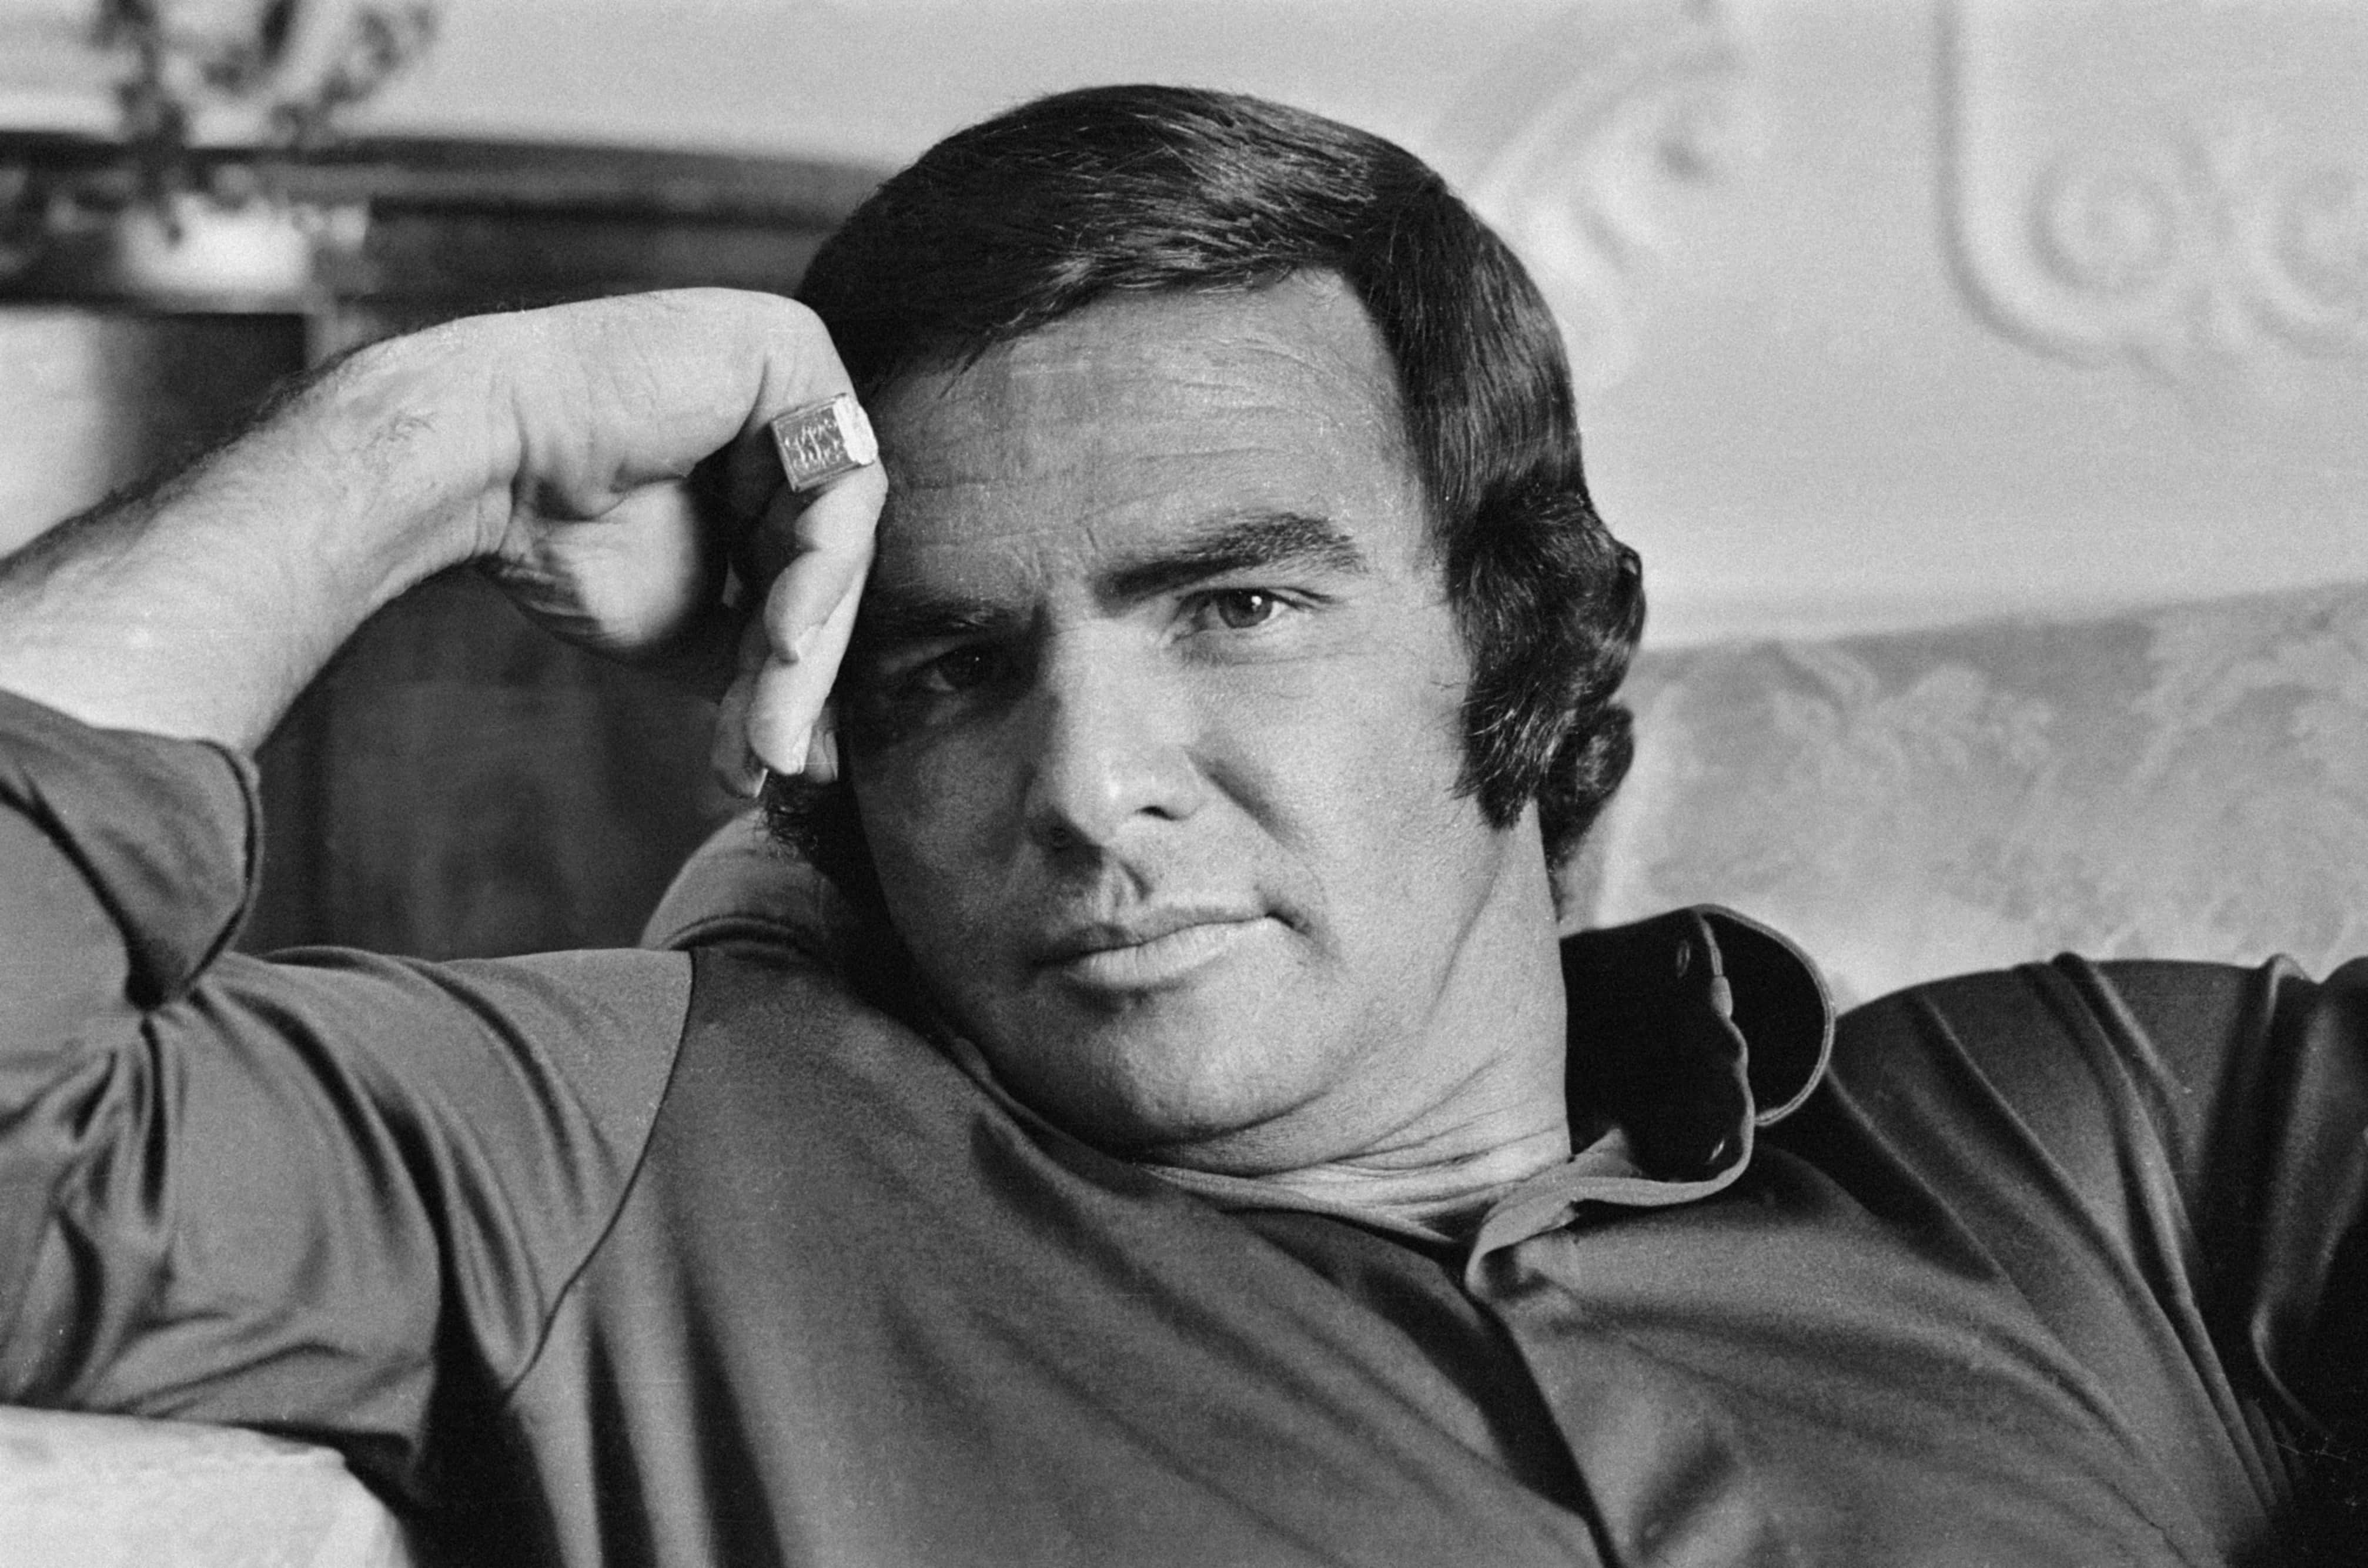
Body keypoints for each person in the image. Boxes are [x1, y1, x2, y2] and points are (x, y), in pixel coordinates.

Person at [0, 83, 2359, 1568]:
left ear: (1524, 643)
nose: (1080, 781)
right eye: (947, 666)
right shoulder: (631, 1150)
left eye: (1233, 605)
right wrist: (428, 435)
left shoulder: (2106, 1142)